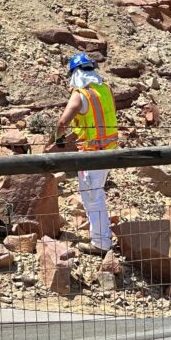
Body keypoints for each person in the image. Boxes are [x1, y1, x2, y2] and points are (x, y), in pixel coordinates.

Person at [51, 53, 119, 255]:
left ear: (75, 73)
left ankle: (101, 244)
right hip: (109, 149)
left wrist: (58, 138)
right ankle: (101, 236)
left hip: (92, 154)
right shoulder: (105, 89)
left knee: (92, 196)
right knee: (96, 193)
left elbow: (63, 122)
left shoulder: (81, 94)